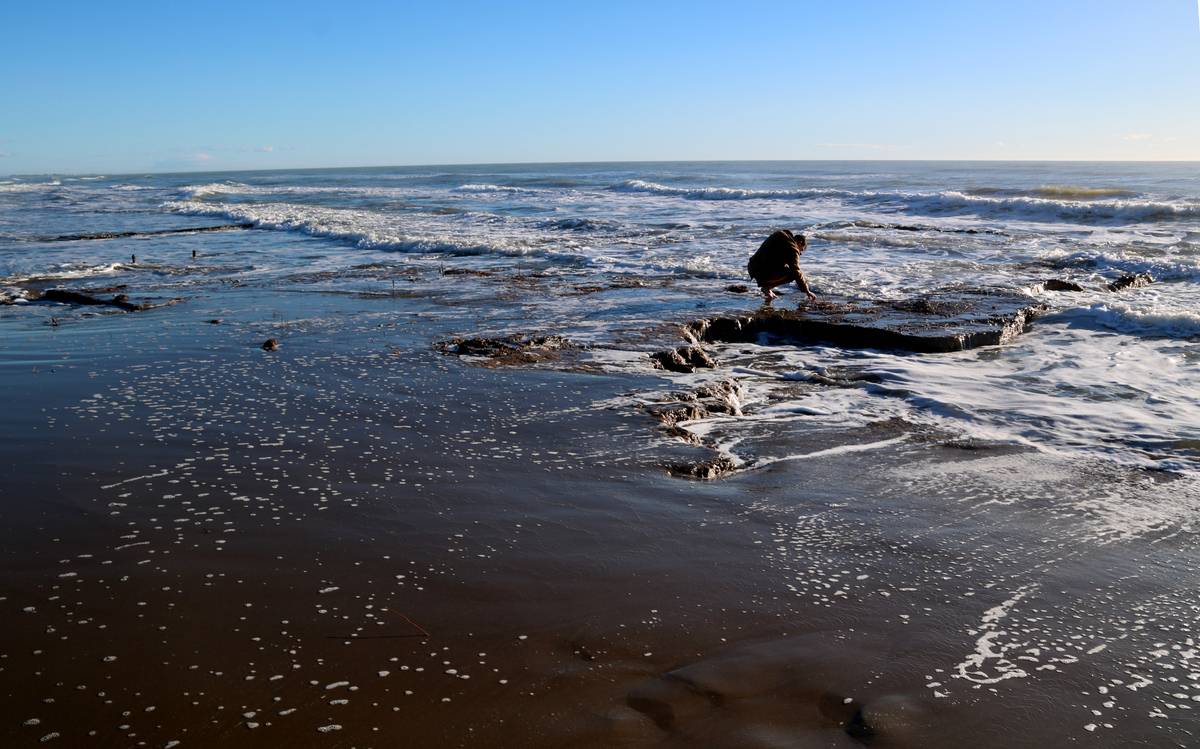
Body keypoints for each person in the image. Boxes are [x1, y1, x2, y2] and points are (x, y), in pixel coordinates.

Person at [747, 229, 816, 301]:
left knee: (785, 267)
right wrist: (806, 290)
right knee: (793, 273)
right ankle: (767, 288)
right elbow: (796, 271)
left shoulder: (779, 235)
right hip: (762, 271)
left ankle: (766, 287)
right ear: (800, 242)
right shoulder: (793, 248)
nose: (800, 253)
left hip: (752, 267)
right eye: (801, 250)